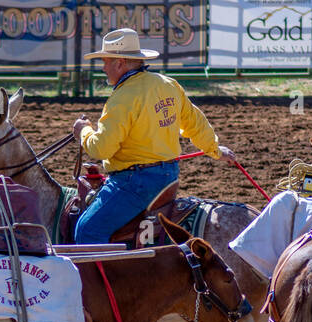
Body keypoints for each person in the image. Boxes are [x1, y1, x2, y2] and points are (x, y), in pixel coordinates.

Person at [72, 28, 239, 245]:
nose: (103, 68)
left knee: (87, 231)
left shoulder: (122, 97)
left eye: (105, 61)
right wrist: (216, 150)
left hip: (134, 183)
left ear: (120, 63)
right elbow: (194, 122)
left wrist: (82, 130)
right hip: (168, 177)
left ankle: (108, 280)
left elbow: (101, 149)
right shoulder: (167, 85)